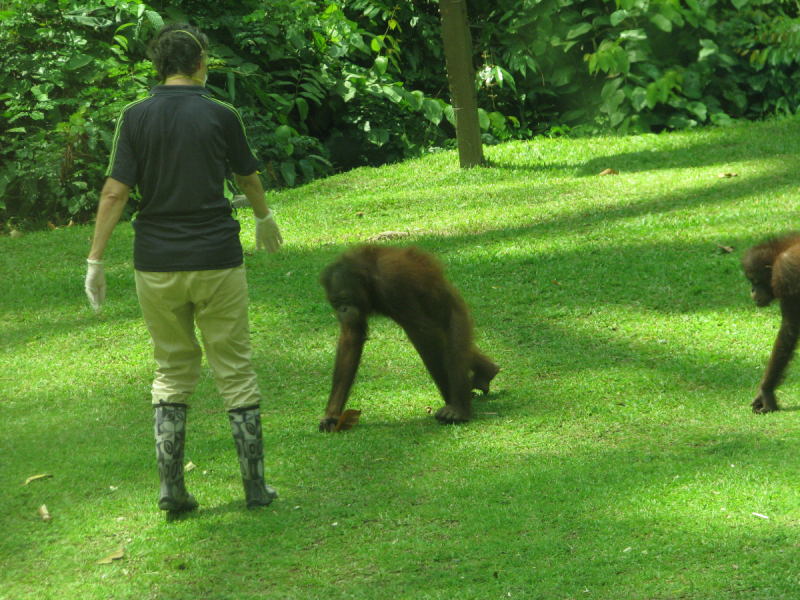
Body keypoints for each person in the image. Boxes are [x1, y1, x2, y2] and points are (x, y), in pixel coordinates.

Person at [84, 23, 282, 512]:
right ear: (199, 62)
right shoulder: (221, 114)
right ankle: (255, 488)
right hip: (217, 259)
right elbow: (248, 176)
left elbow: (115, 191)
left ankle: (171, 489)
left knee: (171, 370)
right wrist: (265, 218)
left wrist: (95, 260)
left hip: (156, 265)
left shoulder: (134, 116)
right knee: (234, 370)